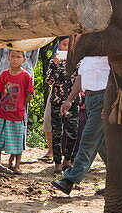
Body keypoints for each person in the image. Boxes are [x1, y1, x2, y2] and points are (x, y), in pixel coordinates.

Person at [51, 55, 110, 195]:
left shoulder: (108, 54)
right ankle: (119, 182)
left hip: (103, 97)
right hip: (89, 98)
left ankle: (70, 180)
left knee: (88, 139)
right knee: (103, 145)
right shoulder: (86, 57)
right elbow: (80, 78)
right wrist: (69, 100)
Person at [0, 50, 34, 174]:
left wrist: (21, 105)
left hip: (17, 114)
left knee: (17, 140)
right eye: (13, 56)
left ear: (24, 59)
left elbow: (29, 94)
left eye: (18, 57)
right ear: (8, 58)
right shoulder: (4, 74)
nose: (15, 59)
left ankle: (16, 166)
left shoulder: (26, 76)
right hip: (2, 112)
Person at [45, 38, 80, 173]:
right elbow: (49, 81)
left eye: (69, 45)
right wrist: (55, 64)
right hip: (56, 102)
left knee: (72, 132)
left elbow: (80, 80)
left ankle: (68, 160)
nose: (66, 48)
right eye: (64, 45)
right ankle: (57, 163)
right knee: (57, 133)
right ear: (59, 46)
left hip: (73, 102)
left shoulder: (78, 61)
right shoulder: (54, 62)